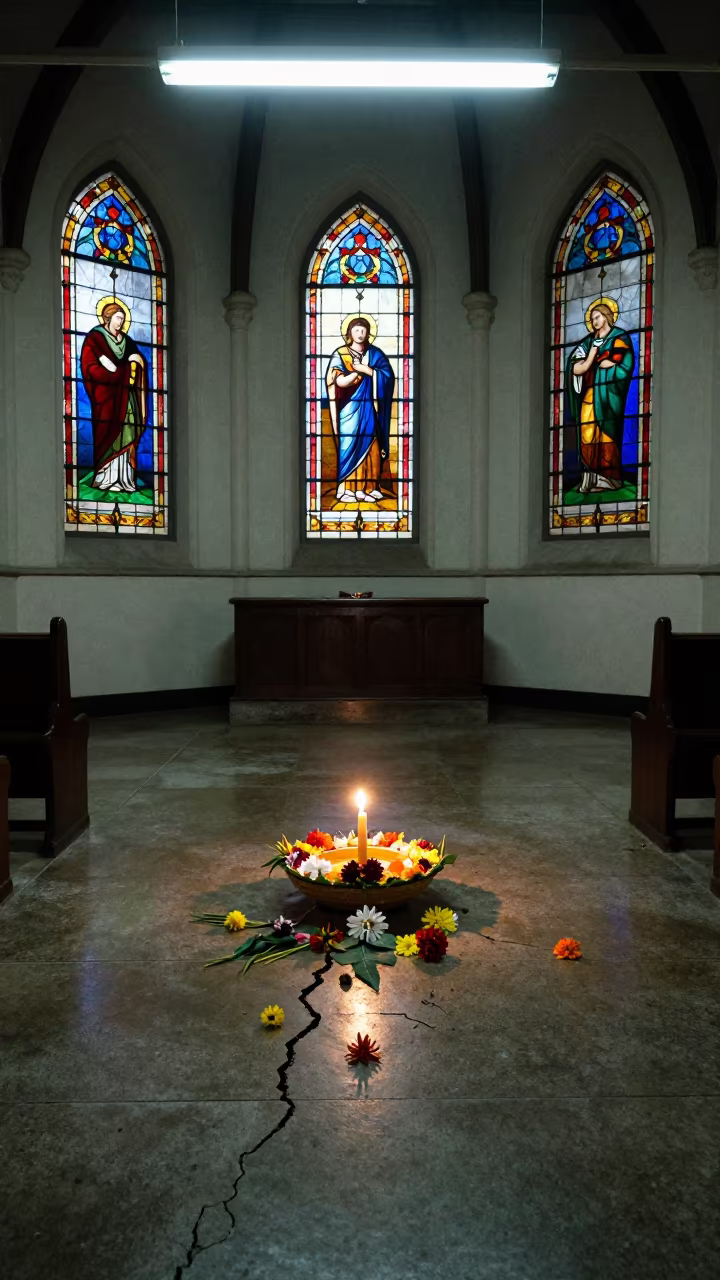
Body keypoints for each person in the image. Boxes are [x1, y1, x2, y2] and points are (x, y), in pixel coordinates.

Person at [567, 298, 634, 494]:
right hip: (589, 394)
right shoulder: (588, 342)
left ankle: (610, 479)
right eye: (592, 318)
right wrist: (592, 358)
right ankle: (590, 478)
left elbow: (625, 365)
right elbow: (575, 367)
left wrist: (607, 365)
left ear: (606, 316)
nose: (595, 321)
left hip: (608, 396)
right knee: (587, 433)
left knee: (606, 434)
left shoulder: (619, 337)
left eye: (597, 317)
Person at [325, 315, 394, 503]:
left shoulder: (375, 354)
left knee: (371, 445)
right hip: (348, 408)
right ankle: (347, 488)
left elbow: (387, 378)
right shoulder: (341, 354)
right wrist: (352, 376)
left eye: (363, 330)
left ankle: (369, 487)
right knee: (349, 445)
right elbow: (335, 380)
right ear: (349, 333)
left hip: (369, 408)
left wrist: (366, 370)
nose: (360, 333)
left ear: (369, 333)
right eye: (356, 330)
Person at [80, 298, 146, 493]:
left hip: (127, 399)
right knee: (109, 434)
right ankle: (105, 477)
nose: (121, 322)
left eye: (123, 319)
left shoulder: (128, 342)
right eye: (118, 318)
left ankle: (125, 479)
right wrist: (119, 373)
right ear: (107, 318)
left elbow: (138, 364)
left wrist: (136, 363)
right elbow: (89, 367)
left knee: (128, 430)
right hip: (106, 398)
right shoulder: (95, 338)